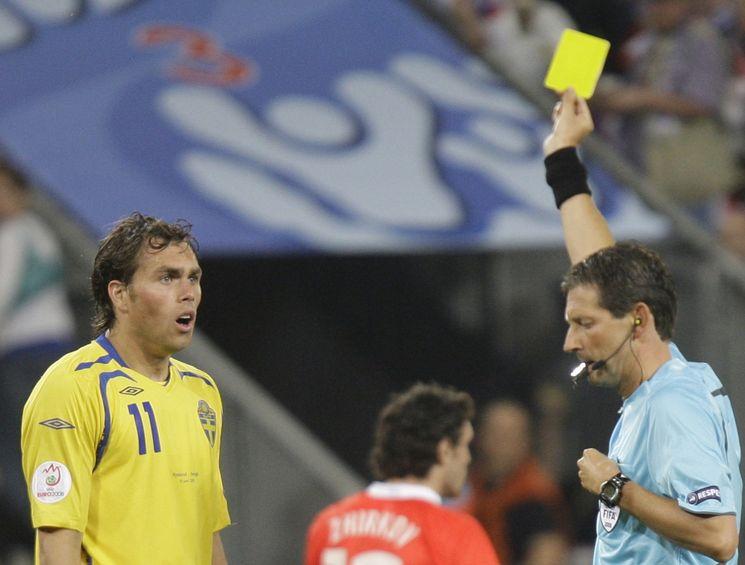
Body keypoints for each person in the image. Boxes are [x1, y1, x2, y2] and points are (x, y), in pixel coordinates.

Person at [541, 87, 742, 563]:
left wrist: (616, 487)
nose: (571, 342)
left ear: (639, 319)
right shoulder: (661, 378)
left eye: (584, 324)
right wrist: (562, 154)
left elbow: (720, 536)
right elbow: (596, 262)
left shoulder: (672, 406)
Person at [21, 212, 230, 564]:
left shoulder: (202, 392)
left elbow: (207, 534)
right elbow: (57, 541)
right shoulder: (72, 388)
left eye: (193, 278)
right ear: (120, 294)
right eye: (167, 277)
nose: (188, 294)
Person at [305, 382, 501, 565]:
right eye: (465, 446)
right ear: (445, 450)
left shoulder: (329, 523)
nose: (468, 458)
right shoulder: (458, 535)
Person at [0, 156, 76, 558]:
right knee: (49, 453)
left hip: (26, 358)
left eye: (4, 190)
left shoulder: (15, 235)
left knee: (24, 457)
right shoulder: (39, 232)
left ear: (22, 193)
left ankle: (44, 545)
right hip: (52, 353)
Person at [461, 399, 570, 565]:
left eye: (509, 436)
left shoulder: (535, 495)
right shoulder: (468, 485)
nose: (500, 445)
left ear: (526, 441)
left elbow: (547, 554)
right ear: (480, 437)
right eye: (494, 434)